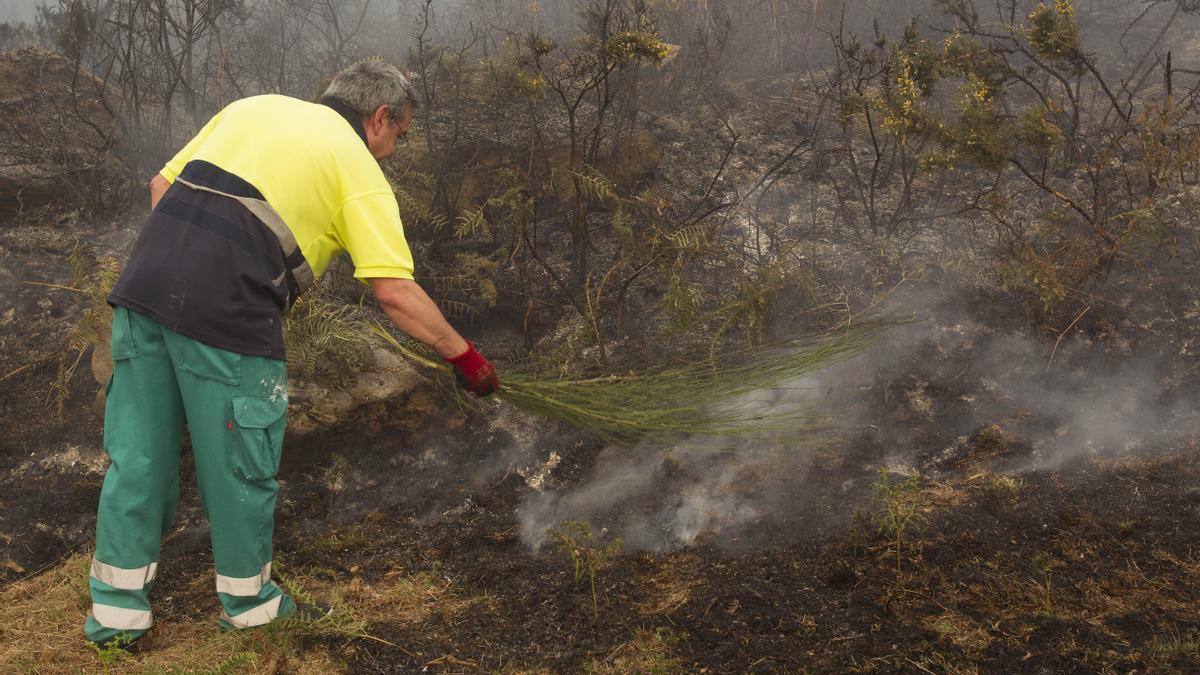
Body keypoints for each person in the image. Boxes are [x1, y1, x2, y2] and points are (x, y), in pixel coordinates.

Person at [84, 60, 499, 647]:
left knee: (139, 457)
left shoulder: (252, 107)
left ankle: (116, 617)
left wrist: (186, 267)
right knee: (240, 466)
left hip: (143, 295)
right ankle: (250, 606)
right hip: (228, 319)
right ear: (379, 118)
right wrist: (467, 360)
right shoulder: (356, 167)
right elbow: (395, 293)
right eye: (398, 136)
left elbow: (161, 186)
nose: (392, 152)